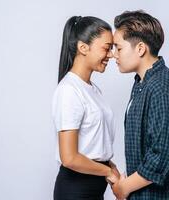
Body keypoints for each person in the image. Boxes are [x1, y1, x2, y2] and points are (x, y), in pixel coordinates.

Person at [111, 10, 169, 199]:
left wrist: (125, 187)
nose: (114, 55)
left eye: (119, 48)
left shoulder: (161, 88)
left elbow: (163, 155)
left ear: (140, 48)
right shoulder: (142, 83)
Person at [52, 16, 120, 200]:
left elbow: (93, 145)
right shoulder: (69, 90)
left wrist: (111, 166)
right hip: (76, 190)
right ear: (83, 48)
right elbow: (70, 158)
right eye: (106, 48)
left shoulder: (92, 89)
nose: (112, 55)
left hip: (93, 189)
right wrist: (107, 171)